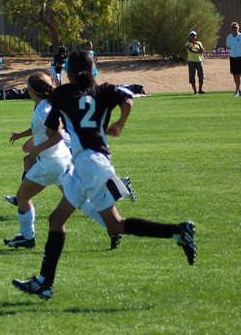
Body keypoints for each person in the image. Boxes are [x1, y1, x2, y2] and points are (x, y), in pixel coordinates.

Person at [12, 51, 197, 300]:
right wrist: (119, 124)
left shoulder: (62, 94)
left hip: (88, 164)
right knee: (97, 223)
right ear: (92, 70)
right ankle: (178, 231)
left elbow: (51, 129)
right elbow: (128, 98)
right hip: (94, 161)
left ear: (68, 72)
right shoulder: (104, 90)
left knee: (73, 220)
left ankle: (45, 283)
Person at [4, 72, 132, 251]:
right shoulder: (47, 105)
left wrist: (37, 148)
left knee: (22, 197)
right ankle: (111, 227)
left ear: (32, 91)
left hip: (50, 164)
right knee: (79, 201)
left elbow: (58, 133)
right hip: (63, 160)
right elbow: (49, 127)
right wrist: (23, 136)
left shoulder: (43, 109)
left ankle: (27, 237)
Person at [226, 22, 241, 97]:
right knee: (234, 75)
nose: (234, 29)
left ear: (238, 28)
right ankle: (239, 90)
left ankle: (237, 91)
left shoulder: (240, 36)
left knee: (238, 74)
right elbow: (228, 46)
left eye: (235, 27)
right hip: (232, 57)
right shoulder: (229, 37)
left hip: (239, 57)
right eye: (233, 27)